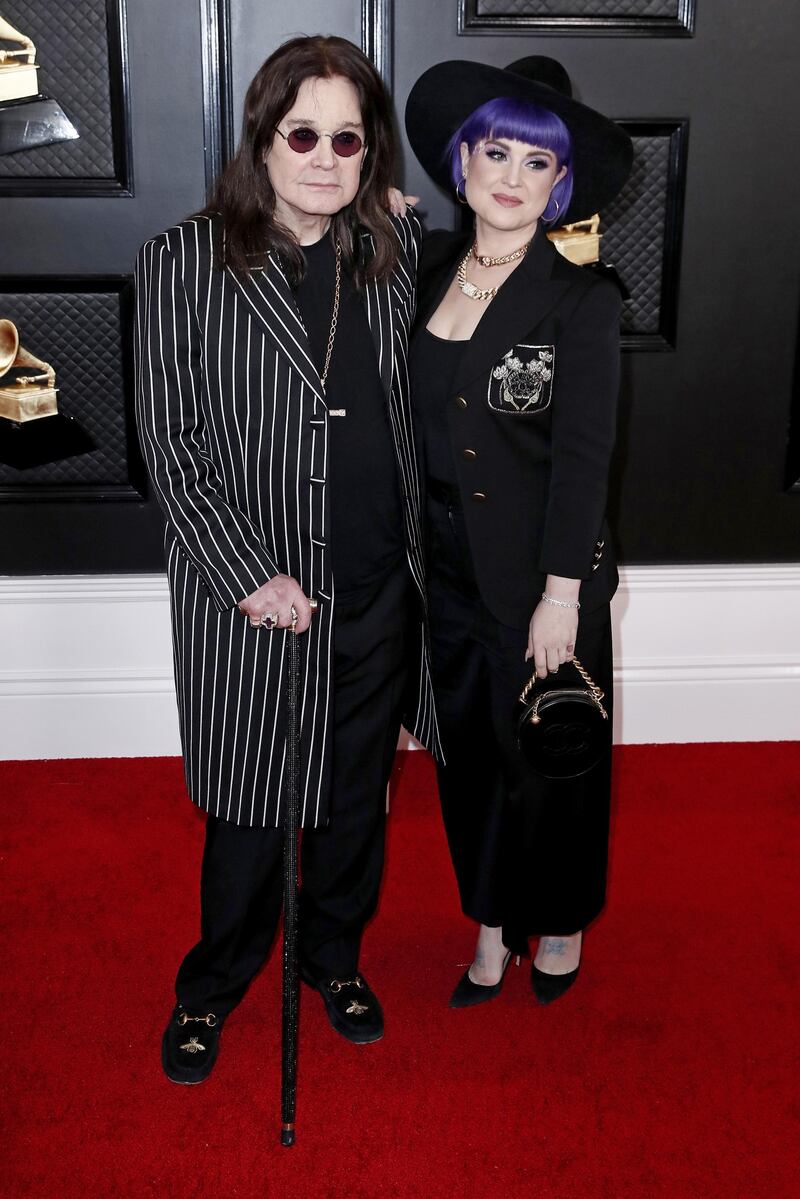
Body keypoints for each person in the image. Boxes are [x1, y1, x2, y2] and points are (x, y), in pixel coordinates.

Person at [134, 34, 439, 1084]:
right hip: (256, 594)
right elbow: (169, 448)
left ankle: (334, 958)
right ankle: (212, 984)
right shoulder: (184, 259)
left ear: (370, 155)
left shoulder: (387, 256)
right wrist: (244, 575)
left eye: (345, 138)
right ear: (261, 139)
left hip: (376, 585)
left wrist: (407, 213)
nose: (321, 155)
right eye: (300, 132)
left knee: (357, 797)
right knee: (252, 807)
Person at [404, 58, 632, 1006]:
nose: (510, 174)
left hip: (542, 574)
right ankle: (492, 924)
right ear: (462, 162)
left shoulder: (582, 302)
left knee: (550, 758)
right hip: (440, 565)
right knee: (468, 761)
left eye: (536, 162)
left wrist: (562, 597)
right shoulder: (417, 274)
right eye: (494, 150)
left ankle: (565, 922)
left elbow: (585, 464)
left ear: (559, 184)